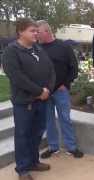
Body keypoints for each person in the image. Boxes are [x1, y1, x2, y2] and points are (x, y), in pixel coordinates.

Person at [2, 18, 55, 180]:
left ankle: (33, 161)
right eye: (32, 31)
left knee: (37, 133)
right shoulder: (12, 51)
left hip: (42, 100)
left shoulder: (37, 49)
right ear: (20, 32)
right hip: (25, 102)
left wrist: (48, 90)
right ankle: (23, 169)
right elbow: (17, 77)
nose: (36, 33)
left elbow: (50, 70)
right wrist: (39, 91)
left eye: (36, 30)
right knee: (23, 135)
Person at [36, 20, 84, 159]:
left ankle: (72, 147)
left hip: (60, 90)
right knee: (48, 120)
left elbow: (74, 68)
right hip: (44, 91)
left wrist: (66, 83)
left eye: (38, 32)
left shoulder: (64, 47)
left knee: (65, 118)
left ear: (46, 31)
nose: (36, 35)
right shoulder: (37, 48)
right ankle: (53, 147)